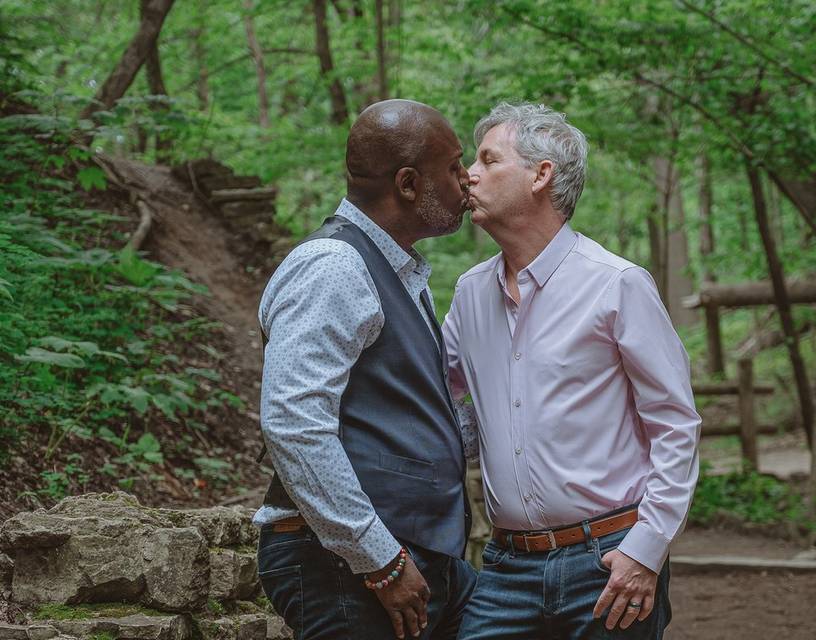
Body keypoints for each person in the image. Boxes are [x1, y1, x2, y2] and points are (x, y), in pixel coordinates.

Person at [443, 102, 701, 639]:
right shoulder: (469, 294)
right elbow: (429, 395)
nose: (469, 173)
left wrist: (646, 551)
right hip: (506, 568)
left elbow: (675, 424)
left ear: (541, 175)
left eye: (489, 160)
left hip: (608, 563)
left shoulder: (617, 284)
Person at [255, 99, 478, 640]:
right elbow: (293, 421)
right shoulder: (335, 267)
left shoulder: (400, 273)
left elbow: (405, 422)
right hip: (345, 567)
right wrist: (380, 560)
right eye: (453, 166)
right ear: (407, 184)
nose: (467, 179)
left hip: (408, 558)